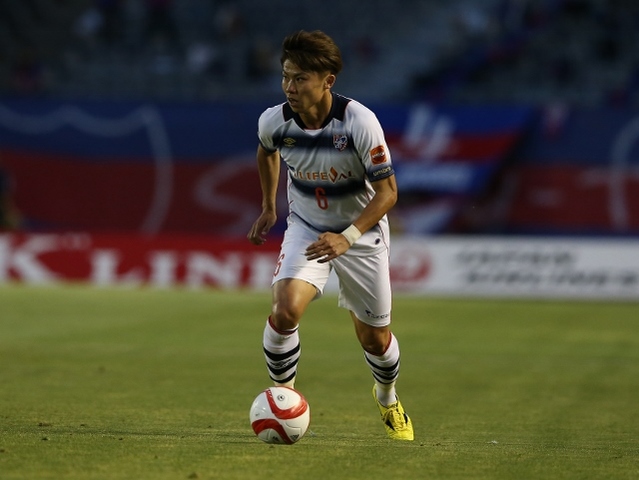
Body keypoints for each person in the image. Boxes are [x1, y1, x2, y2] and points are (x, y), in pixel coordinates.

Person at [247, 30, 413, 441]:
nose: (290, 87)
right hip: (306, 227)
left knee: (374, 339)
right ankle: (283, 398)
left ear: (327, 81)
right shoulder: (274, 121)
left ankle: (388, 398)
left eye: (300, 78)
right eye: (286, 77)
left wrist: (348, 236)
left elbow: (389, 192)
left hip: (362, 233)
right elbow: (266, 151)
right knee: (285, 311)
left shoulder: (359, 122)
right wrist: (269, 206)